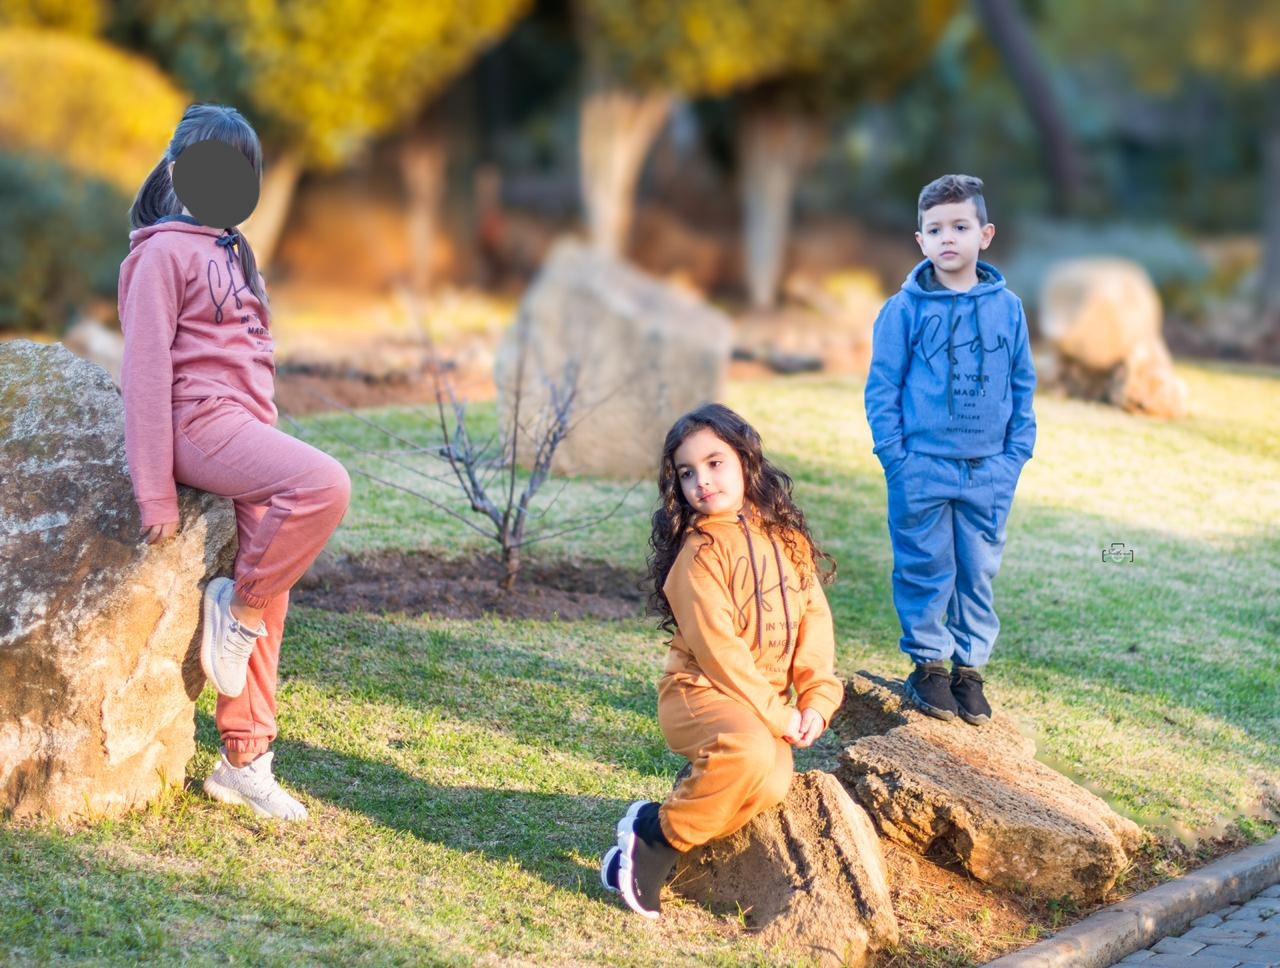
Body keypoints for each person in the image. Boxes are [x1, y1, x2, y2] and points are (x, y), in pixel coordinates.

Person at [119, 103, 351, 821]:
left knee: (272, 594)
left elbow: (251, 360)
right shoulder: (160, 253)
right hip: (199, 424)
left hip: (245, 429)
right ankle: (237, 607)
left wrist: (264, 440)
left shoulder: (231, 249)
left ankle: (244, 759)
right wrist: (155, 494)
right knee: (324, 484)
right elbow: (147, 374)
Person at [599, 403, 844, 918]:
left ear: (746, 462)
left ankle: (640, 843)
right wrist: (779, 717)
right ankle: (655, 839)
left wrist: (817, 701)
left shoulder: (788, 542)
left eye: (715, 463)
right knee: (751, 751)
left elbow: (814, 629)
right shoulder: (700, 552)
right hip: (698, 692)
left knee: (772, 781)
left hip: (757, 705)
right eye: (687, 473)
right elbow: (720, 652)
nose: (702, 482)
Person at [864, 173, 1036, 726]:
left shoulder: (1008, 309)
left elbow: (1022, 383)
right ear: (920, 241)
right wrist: (896, 457)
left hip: (988, 468)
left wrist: (1015, 455)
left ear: (985, 234)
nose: (948, 238)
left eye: (960, 226)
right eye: (935, 229)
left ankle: (969, 670)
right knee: (924, 564)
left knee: (976, 570)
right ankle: (930, 666)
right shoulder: (905, 310)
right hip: (922, 467)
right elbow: (882, 386)